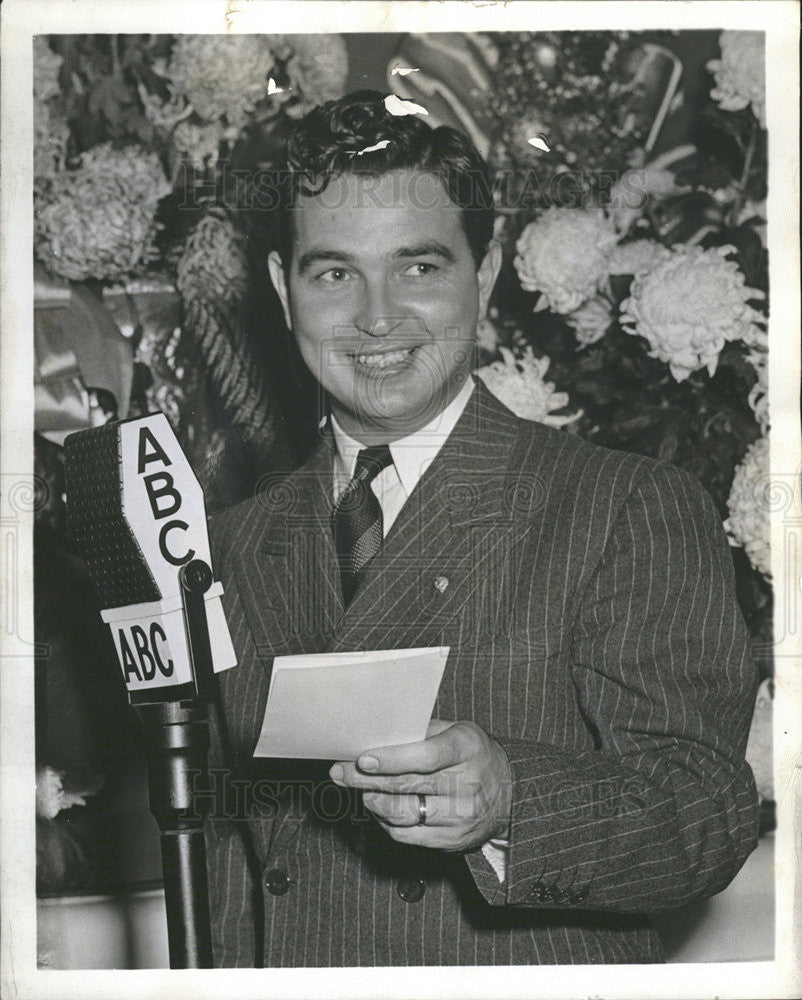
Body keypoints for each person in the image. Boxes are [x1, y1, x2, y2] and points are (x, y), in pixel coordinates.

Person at [203, 90, 759, 966]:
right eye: (335, 273)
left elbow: (706, 814)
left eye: (419, 267)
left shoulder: (622, 505)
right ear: (283, 289)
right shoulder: (230, 544)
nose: (377, 317)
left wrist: (512, 802)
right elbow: (224, 863)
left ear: (485, 273)